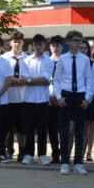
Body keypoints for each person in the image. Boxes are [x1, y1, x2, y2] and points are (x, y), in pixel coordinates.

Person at [53, 30, 94, 175]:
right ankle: (65, 162)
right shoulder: (62, 59)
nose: (78, 43)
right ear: (69, 41)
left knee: (80, 131)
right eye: (75, 40)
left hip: (80, 95)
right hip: (66, 94)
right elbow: (56, 80)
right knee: (65, 131)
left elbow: (89, 80)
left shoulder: (85, 59)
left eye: (79, 40)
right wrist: (59, 97)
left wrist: (87, 98)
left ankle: (78, 162)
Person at [23, 34, 54, 164]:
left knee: (42, 130)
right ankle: (28, 154)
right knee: (29, 129)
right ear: (32, 45)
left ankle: (42, 155)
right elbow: (24, 79)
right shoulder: (26, 61)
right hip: (29, 100)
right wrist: (33, 80)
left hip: (43, 100)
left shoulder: (49, 61)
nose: (38, 46)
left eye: (40, 44)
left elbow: (46, 80)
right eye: (36, 44)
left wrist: (30, 80)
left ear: (44, 45)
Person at [2, 32, 28, 159]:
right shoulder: (4, 58)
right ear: (10, 42)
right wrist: (17, 80)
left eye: (19, 41)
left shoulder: (27, 58)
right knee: (6, 128)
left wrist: (15, 80)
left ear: (23, 42)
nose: (17, 43)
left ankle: (22, 151)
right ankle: (8, 149)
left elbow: (28, 78)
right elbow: (4, 77)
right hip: (7, 98)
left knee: (21, 129)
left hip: (23, 99)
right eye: (15, 41)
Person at [46, 36, 65, 162]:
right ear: (50, 47)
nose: (55, 48)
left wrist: (59, 97)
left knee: (63, 129)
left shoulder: (65, 61)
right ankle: (55, 153)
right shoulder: (46, 61)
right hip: (48, 99)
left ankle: (64, 153)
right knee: (51, 129)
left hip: (62, 100)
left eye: (58, 45)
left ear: (62, 47)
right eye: (53, 45)